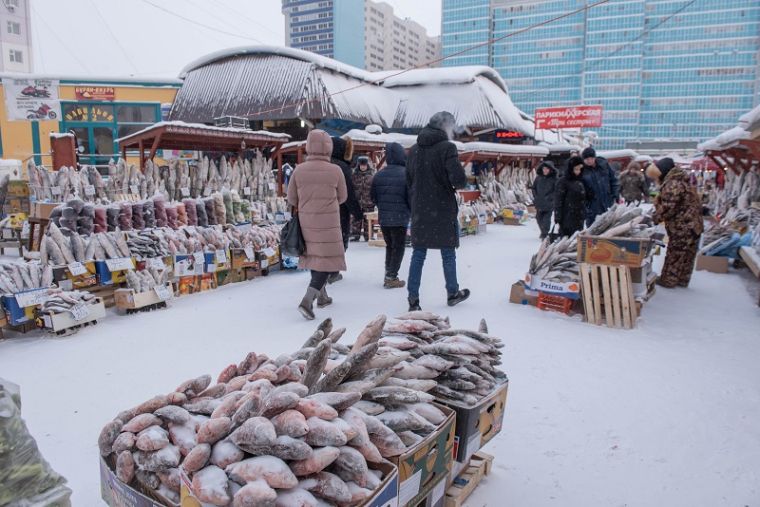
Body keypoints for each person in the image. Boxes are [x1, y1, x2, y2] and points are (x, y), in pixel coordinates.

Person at [406, 111, 470, 311]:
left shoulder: (414, 150)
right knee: (448, 253)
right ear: (445, 126)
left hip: (420, 209)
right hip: (442, 209)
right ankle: (452, 293)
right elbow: (459, 181)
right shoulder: (447, 148)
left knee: (418, 254)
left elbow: (409, 180)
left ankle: (413, 299)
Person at [287, 130, 347, 320]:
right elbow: (343, 197)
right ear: (329, 147)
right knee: (327, 260)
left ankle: (322, 296)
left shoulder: (299, 170)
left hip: (306, 221)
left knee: (315, 256)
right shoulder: (335, 170)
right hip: (329, 222)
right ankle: (308, 299)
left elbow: (291, 198)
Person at [652, 157, 704, 288]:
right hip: (694, 225)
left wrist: (654, 218)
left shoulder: (673, 183)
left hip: (683, 225)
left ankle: (668, 280)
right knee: (687, 255)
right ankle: (682, 280)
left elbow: (668, 207)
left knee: (675, 253)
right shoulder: (682, 181)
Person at [371, 142, 410, 289]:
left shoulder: (379, 175)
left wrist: (383, 206)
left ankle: (388, 273)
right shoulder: (406, 174)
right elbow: (410, 197)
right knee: (398, 247)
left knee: (390, 246)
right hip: (400, 218)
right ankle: (391, 277)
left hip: (384, 218)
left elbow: (373, 197)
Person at [329, 136, 362, 283]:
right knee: (340, 241)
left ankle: (321, 273)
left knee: (323, 242)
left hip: (320, 212)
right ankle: (333, 272)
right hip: (339, 211)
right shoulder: (342, 167)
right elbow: (348, 194)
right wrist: (357, 212)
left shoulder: (323, 164)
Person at [554, 156, 593, 237]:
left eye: (580, 169)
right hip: (567, 216)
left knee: (577, 238)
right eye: (576, 169)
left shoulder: (581, 180)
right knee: (567, 238)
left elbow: (586, 197)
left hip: (579, 216)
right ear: (570, 169)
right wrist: (558, 216)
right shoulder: (563, 181)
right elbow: (558, 200)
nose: (578, 172)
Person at [581, 147, 619, 227]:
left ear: (594, 157)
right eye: (587, 159)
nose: (589, 161)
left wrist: (615, 194)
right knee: (593, 228)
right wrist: (586, 204)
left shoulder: (604, 165)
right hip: (592, 206)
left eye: (591, 158)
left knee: (609, 225)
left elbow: (613, 180)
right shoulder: (582, 170)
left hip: (607, 201)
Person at [530, 160, 557, 239]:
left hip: (549, 203)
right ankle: (543, 231)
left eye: (547, 169)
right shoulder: (538, 178)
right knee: (538, 218)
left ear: (550, 169)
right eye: (544, 169)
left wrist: (550, 197)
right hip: (539, 202)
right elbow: (534, 188)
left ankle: (545, 233)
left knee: (546, 219)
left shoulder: (554, 179)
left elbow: (556, 190)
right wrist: (536, 196)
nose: (545, 170)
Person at [351, 156, 375, 241]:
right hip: (357, 202)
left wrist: (374, 200)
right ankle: (355, 235)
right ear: (358, 165)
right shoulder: (354, 175)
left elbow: (374, 189)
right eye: (361, 165)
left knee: (368, 220)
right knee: (356, 219)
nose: (363, 167)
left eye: (364, 165)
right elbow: (351, 188)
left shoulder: (372, 175)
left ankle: (368, 235)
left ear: (367, 165)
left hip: (368, 202)